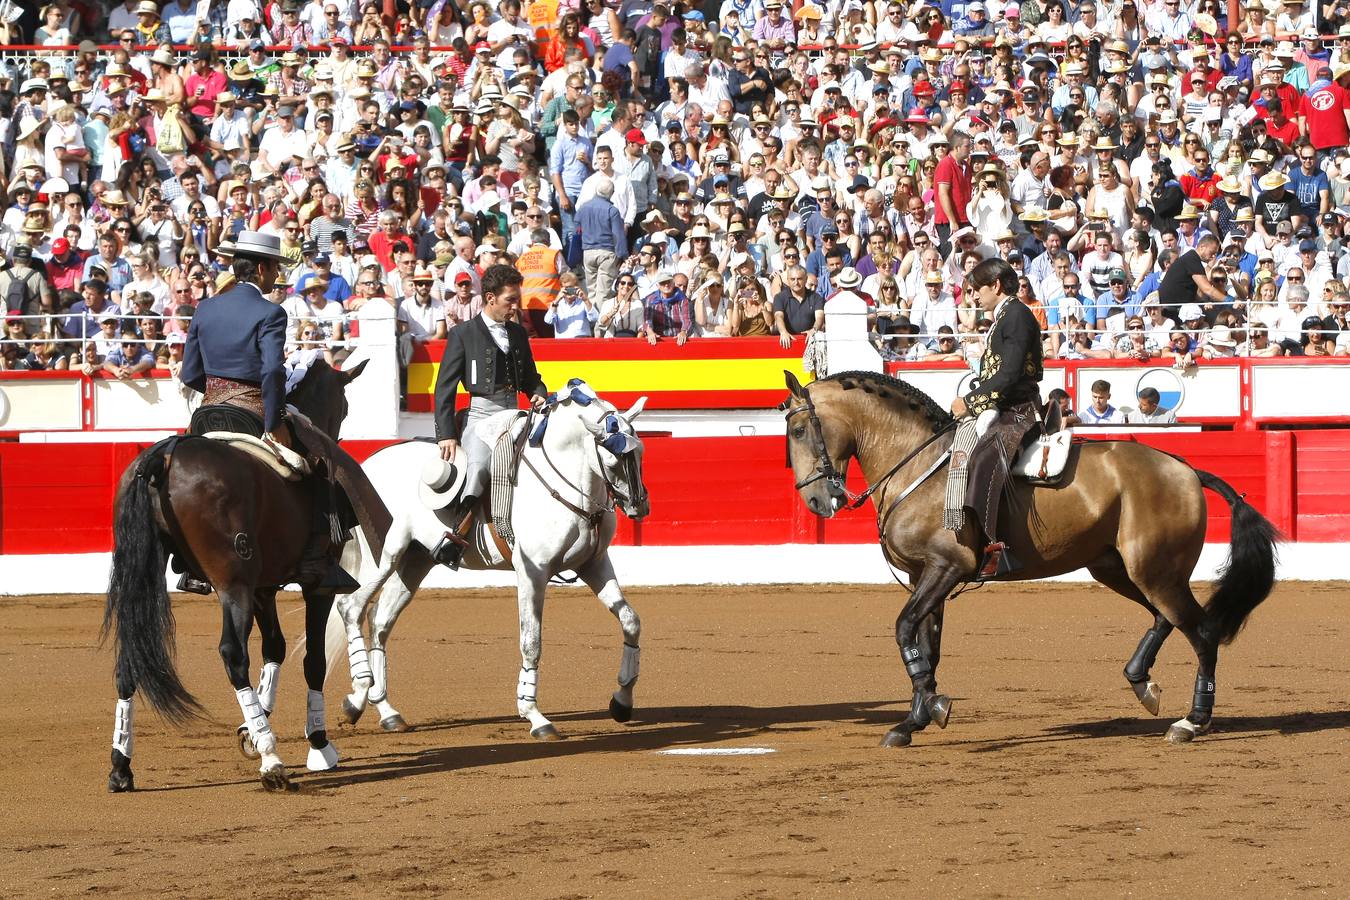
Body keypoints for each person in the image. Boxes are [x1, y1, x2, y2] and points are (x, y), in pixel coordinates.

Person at [179, 231, 363, 593]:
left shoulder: (205, 308)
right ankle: (317, 558)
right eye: (275, 267)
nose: (275, 274)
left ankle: (191, 566)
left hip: (205, 415)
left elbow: (190, 373)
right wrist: (272, 421)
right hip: (251, 413)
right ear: (262, 268)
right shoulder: (269, 311)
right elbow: (271, 372)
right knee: (321, 464)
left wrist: (220, 394)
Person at [432, 264, 549, 570]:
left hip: (515, 413)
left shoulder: (518, 333)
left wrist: (539, 391)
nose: (516, 306)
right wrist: (446, 433)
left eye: (517, 299)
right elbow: (443, 388)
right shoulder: (462, 334)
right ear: (490, 298)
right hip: (481, 416)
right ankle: (457, 536)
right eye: (510, 299)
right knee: (480, 465)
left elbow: (530, 378)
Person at [948, 258, 1044, 580]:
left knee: (987, 458)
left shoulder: (1015, 315)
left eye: (977, 289)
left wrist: (971, 401)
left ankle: (996, 548)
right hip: (1005, 406)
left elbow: (1010, 373)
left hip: (1019, 410)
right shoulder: (1006, 316)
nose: (973, 297)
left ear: (996, 286)